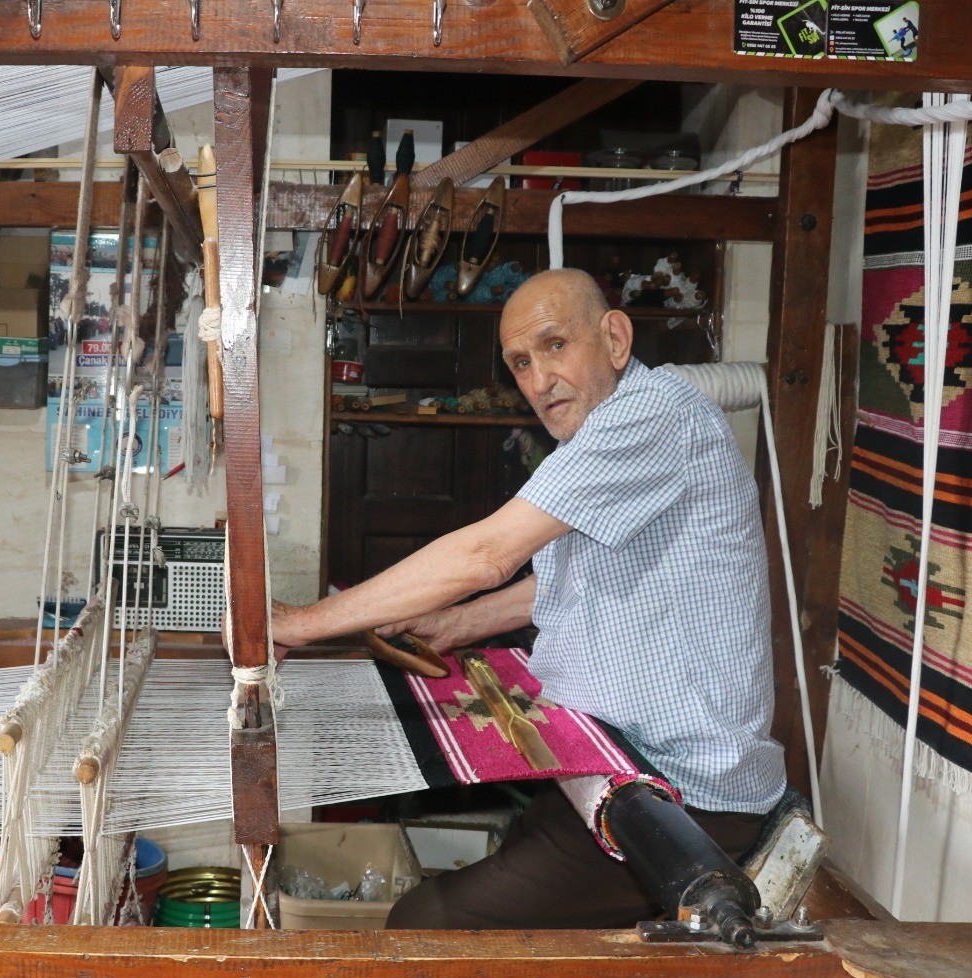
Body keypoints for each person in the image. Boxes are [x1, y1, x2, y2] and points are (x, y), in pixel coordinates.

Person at [269, 268, 785, 934]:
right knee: (510, 854)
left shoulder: (651, 418)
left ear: (616, 338)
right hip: (613, 754)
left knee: (426, 925)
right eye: (520, 362)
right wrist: (457, 623)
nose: (539, 380)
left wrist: (302, 624)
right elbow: (569, 582)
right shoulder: (603, 439)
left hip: (684, 795)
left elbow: (488, 555)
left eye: (555, 346)